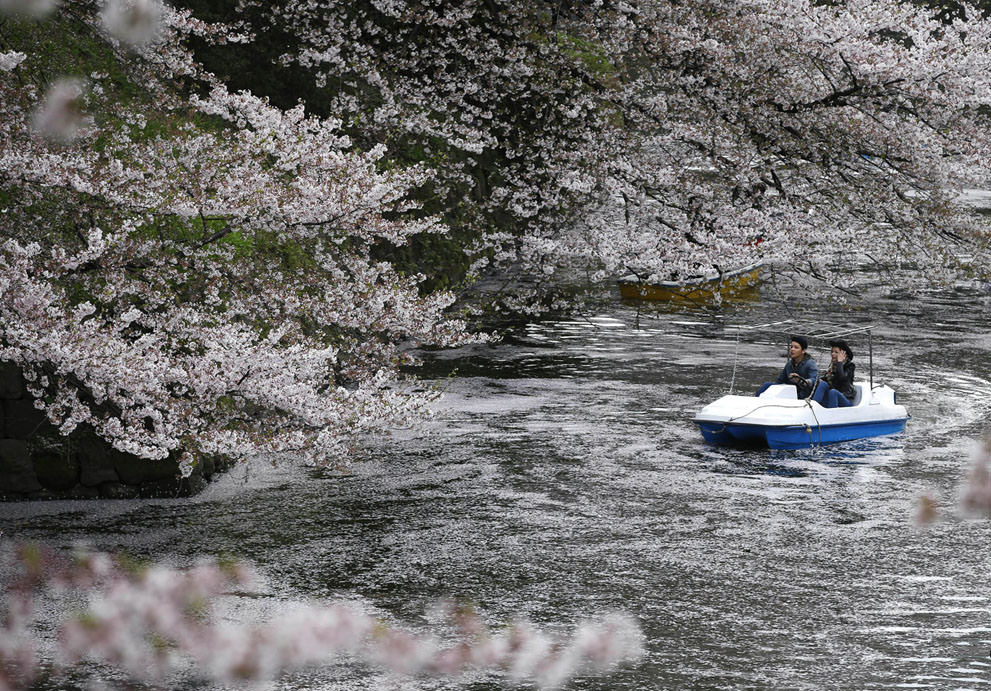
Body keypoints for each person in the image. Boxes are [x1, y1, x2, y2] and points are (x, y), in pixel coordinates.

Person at [812, 339, 856, 408]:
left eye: (836, 352)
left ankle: (831, 415)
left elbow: (842, 378)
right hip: (833, 398)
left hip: (845, 400)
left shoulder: (850, 366)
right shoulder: (833, 366)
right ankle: (813, 407)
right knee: (823, 384)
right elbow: (827, 380)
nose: (833, 354)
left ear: (844, 355)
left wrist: (840, 362)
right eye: (832, 352)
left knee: (833, 392)